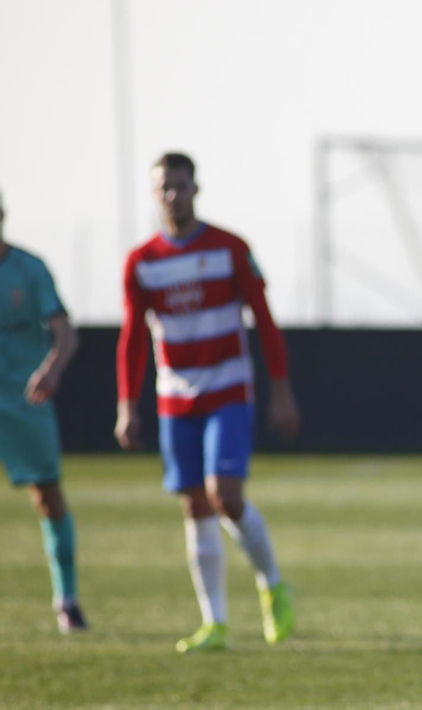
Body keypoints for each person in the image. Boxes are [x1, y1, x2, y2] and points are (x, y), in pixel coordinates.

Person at [115, 152, 301, 653]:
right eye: (164, 188)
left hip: (228, 390)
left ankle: (271, 585)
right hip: (176, 397)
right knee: (194, 505)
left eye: (181, 185)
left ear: (196, 189)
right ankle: (214, 622)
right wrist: (127, 405)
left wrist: (281, 391)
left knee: (226, 496)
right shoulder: (142, 262)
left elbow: (265, 321)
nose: (173, 195)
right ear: (155, 194)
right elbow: (133, 337)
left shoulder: (229, 249)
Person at [0, 189, 87, 633]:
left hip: (23, 399)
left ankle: (66, 600)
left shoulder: (28, 270)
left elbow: (64, 334)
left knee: (47, 495)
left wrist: (50, 371)